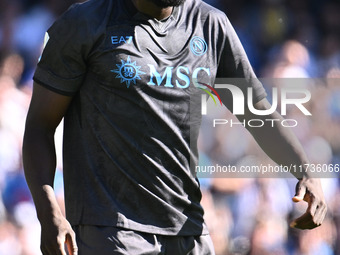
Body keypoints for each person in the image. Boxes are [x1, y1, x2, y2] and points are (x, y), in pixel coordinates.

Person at [22, 0, 327, 254]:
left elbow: (257, 114)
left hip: (188, 228)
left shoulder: (210, 25)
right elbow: (39, 126)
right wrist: (48, 210)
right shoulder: (85, 23)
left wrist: (306, 171)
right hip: (110, 230)